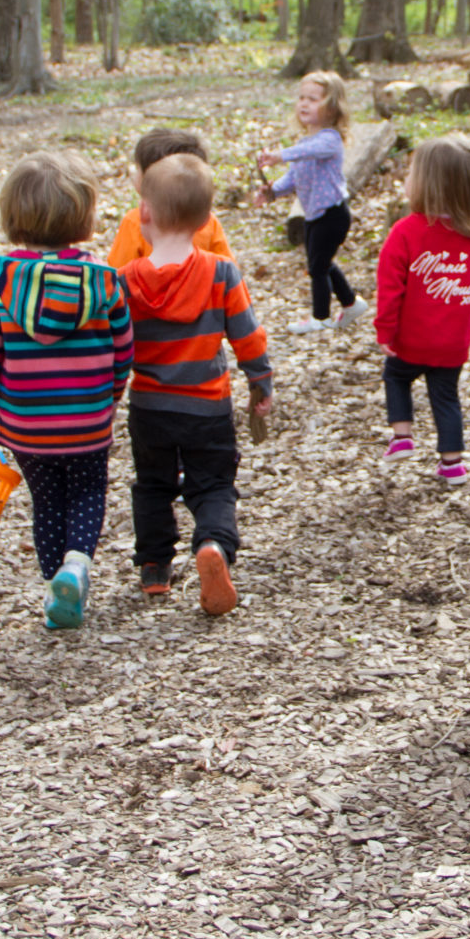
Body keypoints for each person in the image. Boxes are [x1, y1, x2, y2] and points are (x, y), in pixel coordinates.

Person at [0, 151, 136, 632]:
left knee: (48, 501)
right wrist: (110, 396)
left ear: (14, 214)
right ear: (83, 214)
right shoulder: (105, 280)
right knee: (88, 491)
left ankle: (55, 581)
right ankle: (76, 567)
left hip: (27, 424)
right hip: (88, 421)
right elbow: (124, 350)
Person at [120, 155, 275, 617]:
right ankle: (212, 544)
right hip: (206, 407)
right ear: (207, 218)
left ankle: (154, 566)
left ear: (144, 212)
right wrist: (260, 381)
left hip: (149, 407)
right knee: (213, 485)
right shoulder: (221, 273)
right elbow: (247, 335)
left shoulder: (125, 281)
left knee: (151, 484)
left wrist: (105, 395)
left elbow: (115, 346)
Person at [375, 138, 470, 483]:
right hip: (451, 343)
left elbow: (390, 287)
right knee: (446, 397)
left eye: (411, 172)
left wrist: (385, 329)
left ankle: (402, 436)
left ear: (426, 184)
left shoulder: (405, 232)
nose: (406, 179)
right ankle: (453, 462)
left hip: (411, 340)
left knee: (396, 375)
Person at [257, 73, 366, 334]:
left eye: (313, 99)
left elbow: (307, 152)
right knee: (322, 262)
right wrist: (273, 192)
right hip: (314, 215)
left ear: (332, 107)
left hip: (332, 214)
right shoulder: (304, 143)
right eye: (302, 98)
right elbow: (294, 176)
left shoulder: (329, 139)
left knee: (317, 267)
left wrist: (278, 155)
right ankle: (351, 303)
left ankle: (321, 317)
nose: (304, 104)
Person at [108, 128, 235, 268]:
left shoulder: (136, 220)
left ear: (151, 179)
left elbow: (116, 277)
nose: (134, 174)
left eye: (138, 169)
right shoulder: (209, 222)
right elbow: (227, 270)